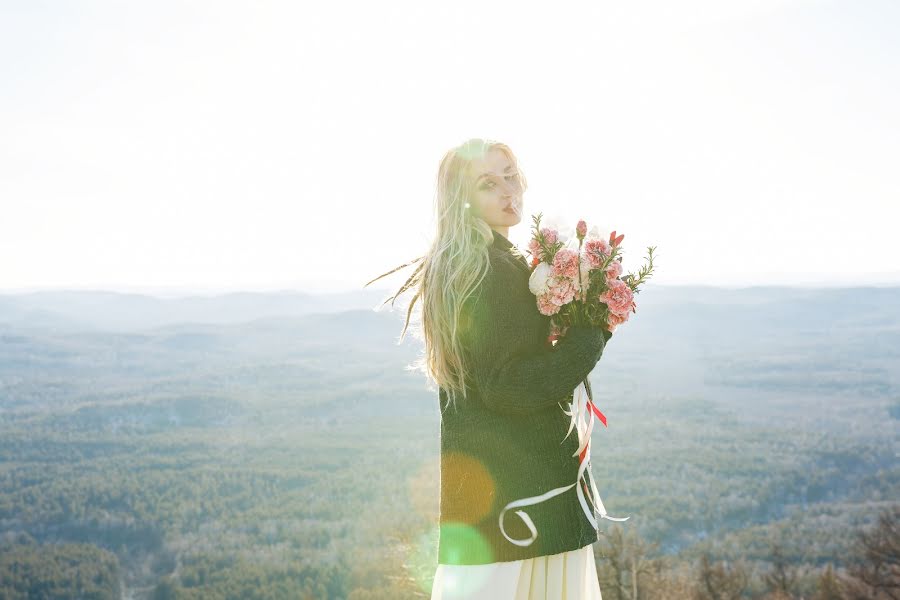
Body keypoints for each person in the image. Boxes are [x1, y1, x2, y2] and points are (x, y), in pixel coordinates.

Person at [366, 138, 614, 599]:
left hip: (504, 502)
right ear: (461, 199)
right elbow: (509, 387)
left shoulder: (477, 263)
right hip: (520, 503)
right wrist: (590, 334)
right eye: (488, 183)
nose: (508, 190)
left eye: (511, 175)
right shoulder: (488, 269)